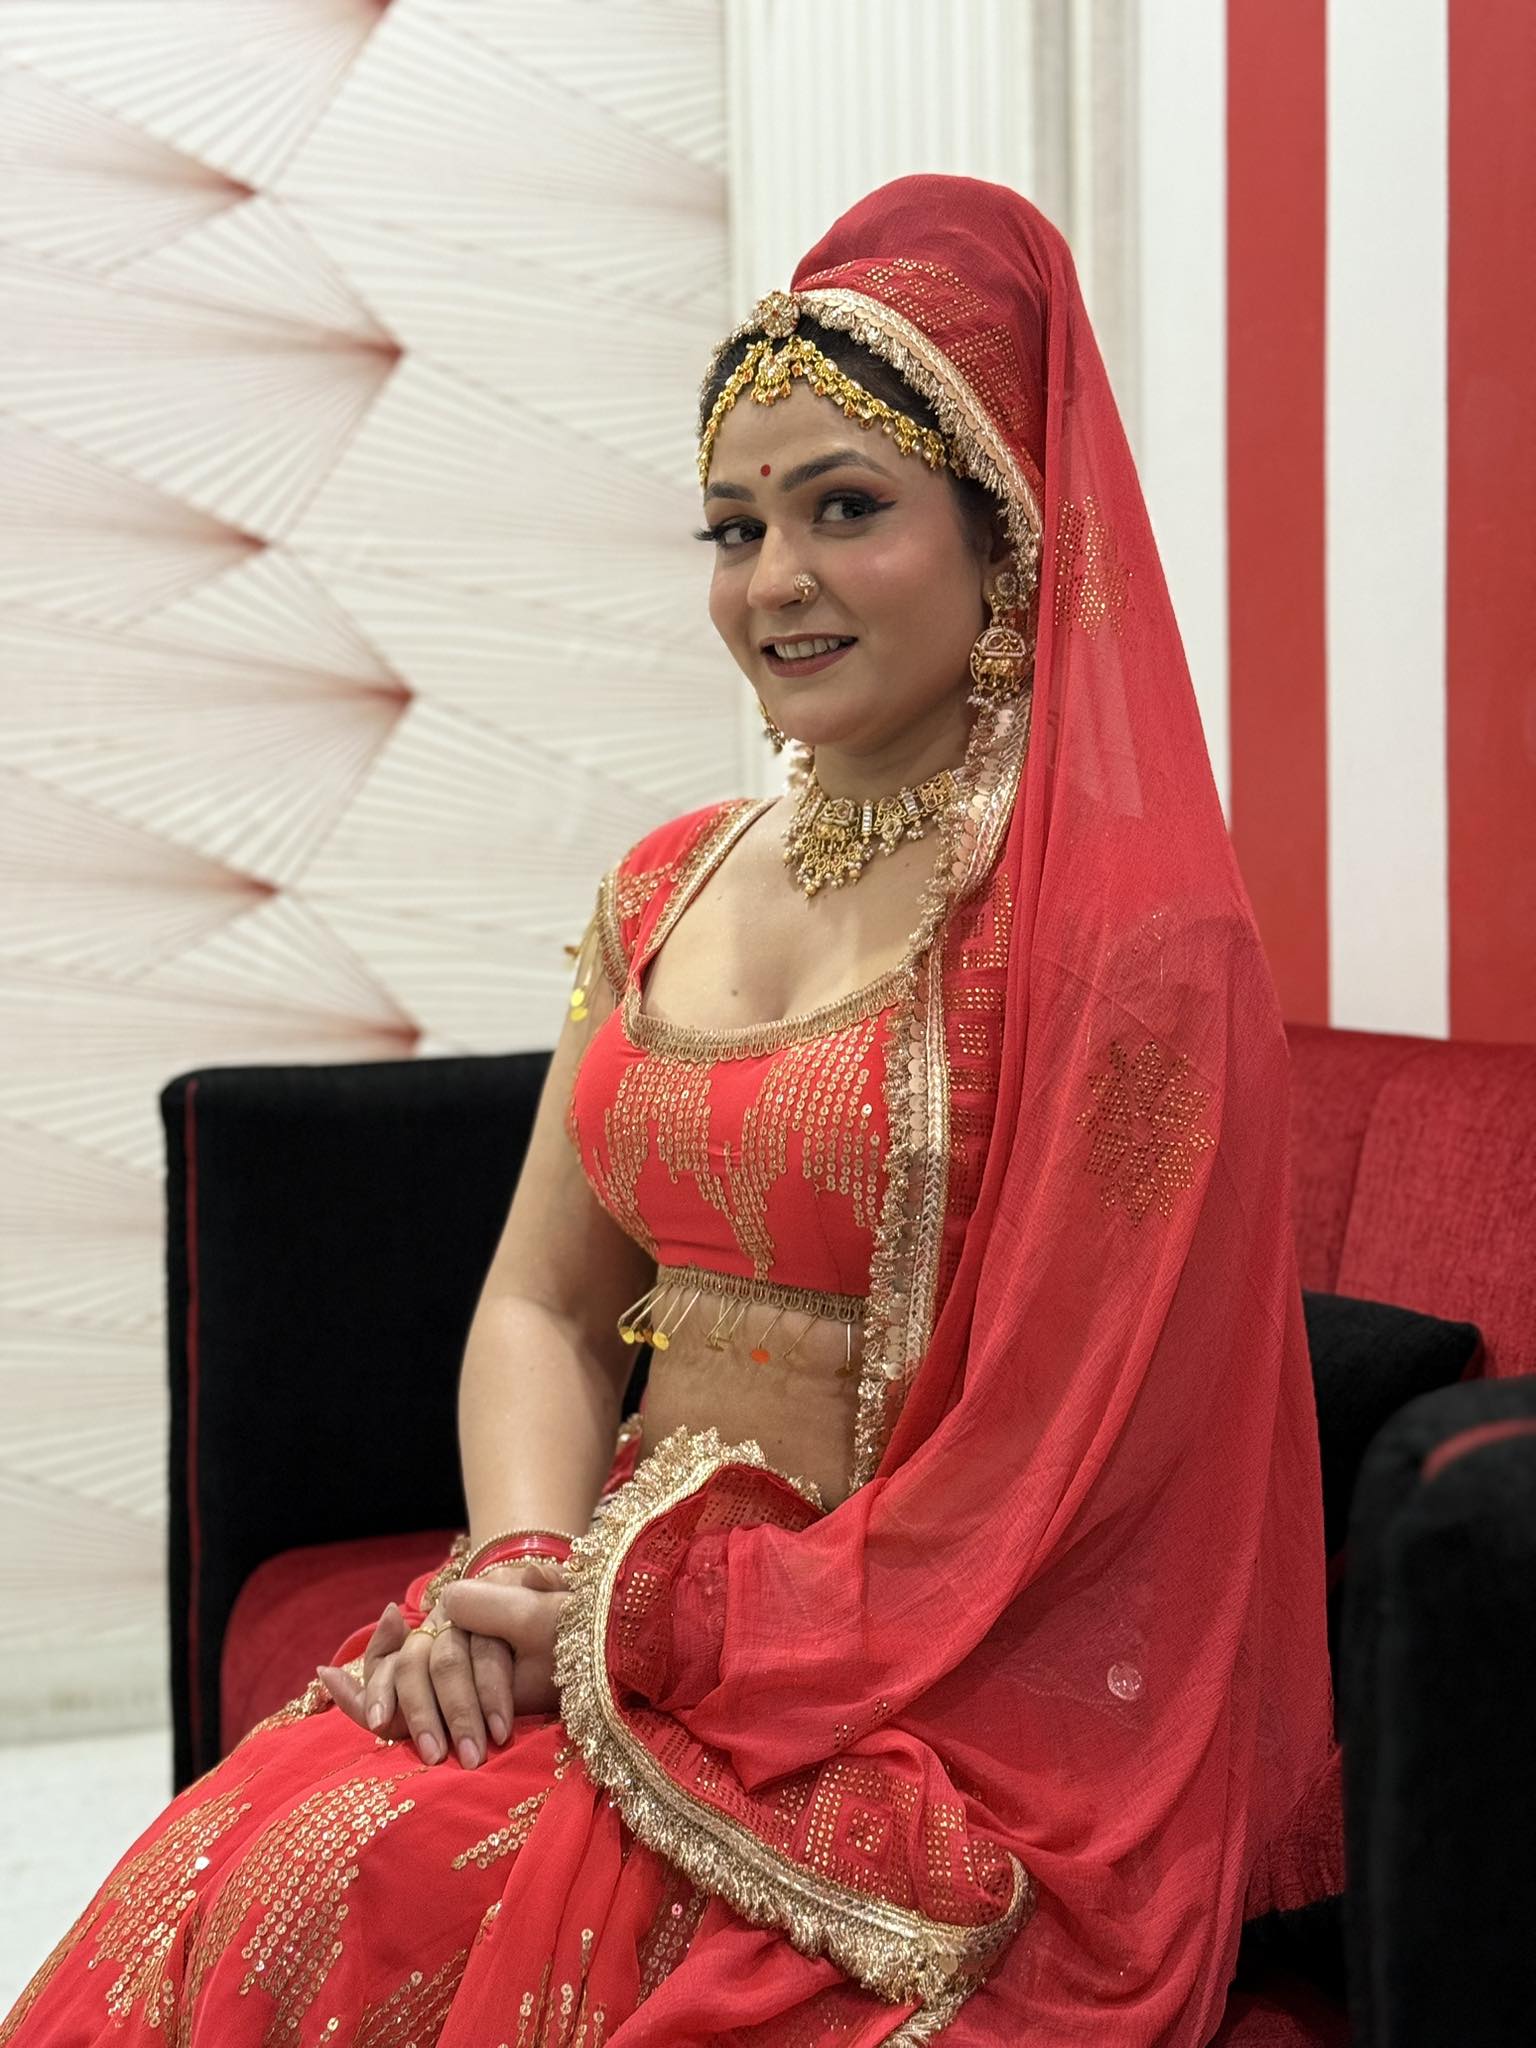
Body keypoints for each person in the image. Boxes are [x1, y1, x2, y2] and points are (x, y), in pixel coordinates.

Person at [2, 173, 1332, 2048]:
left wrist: (649, 1629)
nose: (772, 580)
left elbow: (1064, 1472)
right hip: (623, 1612)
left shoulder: (1125, 946)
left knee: (382, 1879)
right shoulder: (666, 881)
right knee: (255, 1854)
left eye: (845, 509)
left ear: (1007, 530)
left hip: (921, 1699)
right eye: (734, 526)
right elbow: (546, 1302)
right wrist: (523, 1566)